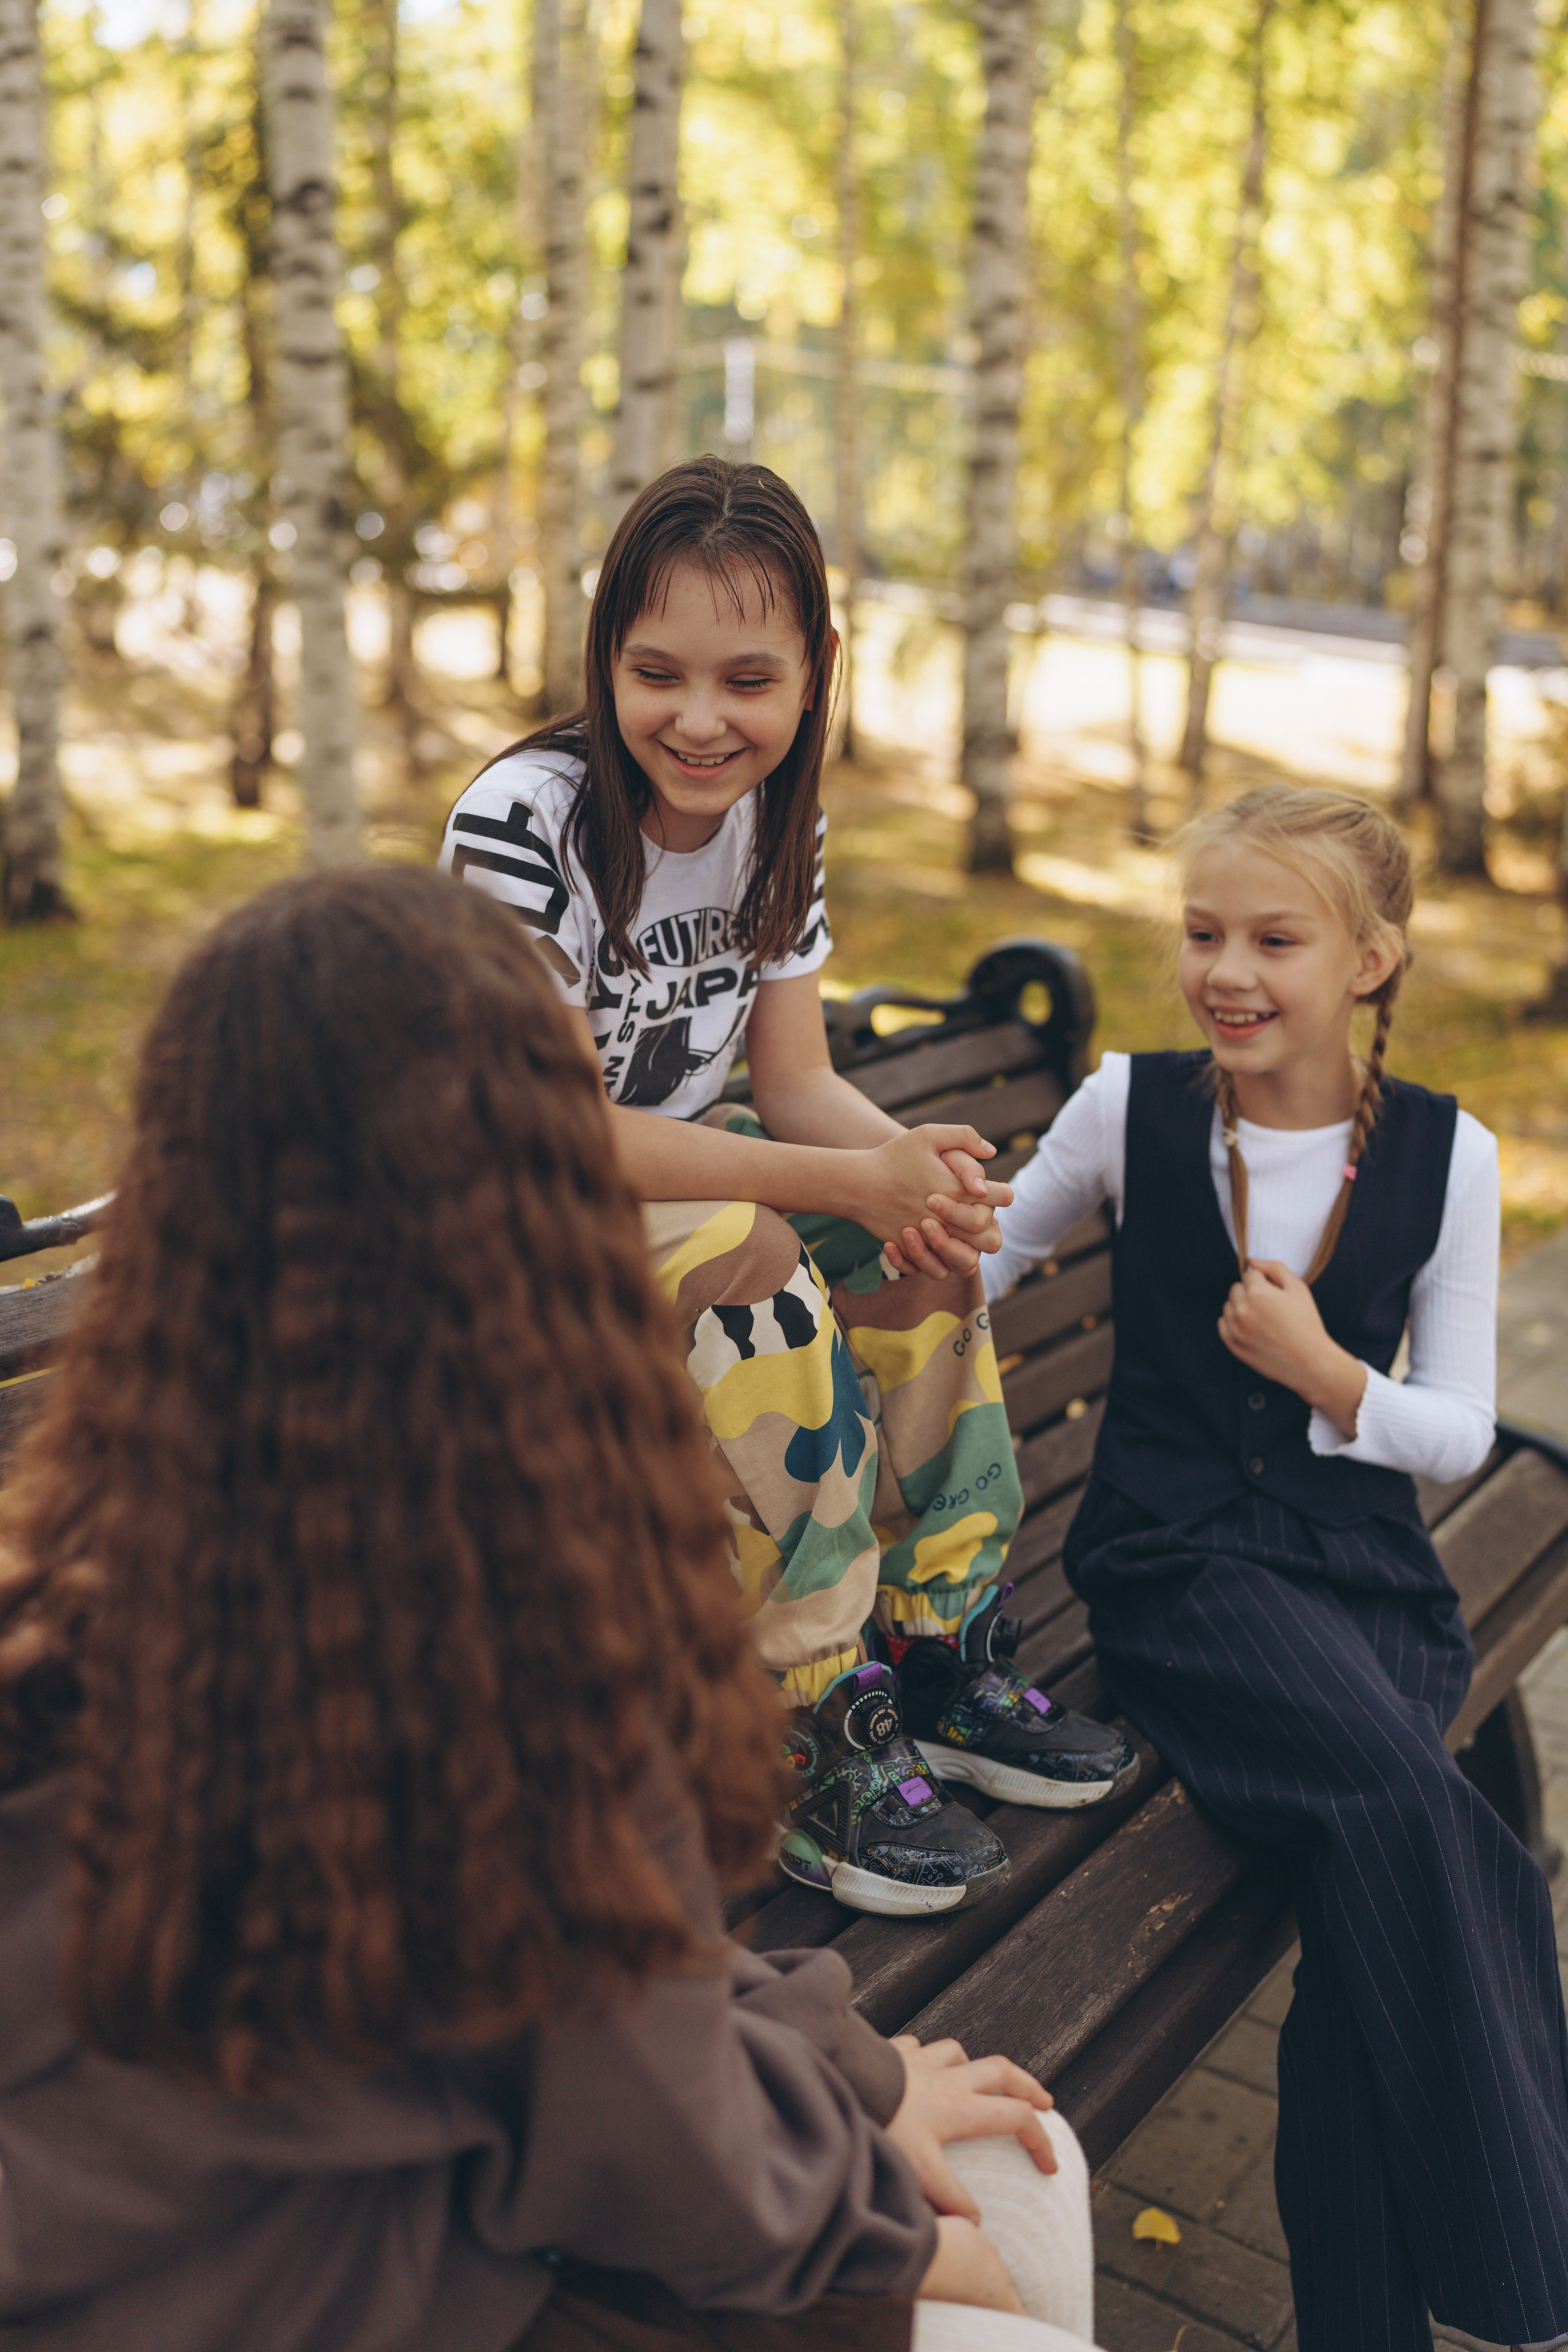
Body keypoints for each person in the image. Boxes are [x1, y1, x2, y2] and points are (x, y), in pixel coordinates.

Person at [0, 869, 1105, 2351]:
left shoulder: (84, 1562)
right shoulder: (496, 1620)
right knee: (1013, 2219)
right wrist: (878, 2217)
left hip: (217, 2240)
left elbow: (579, 2010)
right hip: (356, 2279)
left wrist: (841, 2073)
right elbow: (638, 2122)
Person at [439, 456, 1131, 1921]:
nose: (701, 719)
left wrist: (909, 1178)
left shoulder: (775, 821)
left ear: (816, 672)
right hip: (497, 1229)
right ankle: (803, 1719)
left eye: (747, 678)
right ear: (604, 662)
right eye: (657, 674)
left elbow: (799, 1078)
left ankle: (939, 1647)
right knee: (760, 1245)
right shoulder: (524, 821)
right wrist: (839, 1177)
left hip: (688, 1194)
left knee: (931, 1243)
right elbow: (564, 1134)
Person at [968, 784, 1568, 2352]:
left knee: (1361, 1937)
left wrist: (1327, 1379)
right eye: (1201, 932)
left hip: (1368, 1584)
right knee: (1421, 1821)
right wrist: (870, 1218)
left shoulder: (1447, 1157)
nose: (1225, 970)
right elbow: (985, 1258)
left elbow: (1454, 1432)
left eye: (1272, 938)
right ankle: (1528, 2257)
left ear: (1368, 959)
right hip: (1177, 1568)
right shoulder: (1127, 1109)